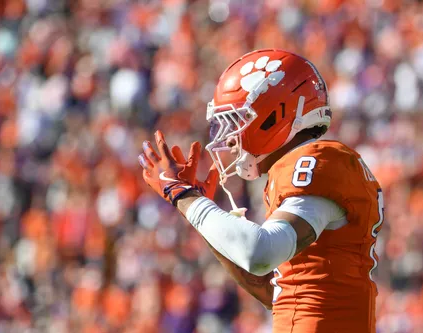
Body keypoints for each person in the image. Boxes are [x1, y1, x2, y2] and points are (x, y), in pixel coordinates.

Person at [138, 49, 384, 332]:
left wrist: (183, 195)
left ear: (274, 114)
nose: (228, 139)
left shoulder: (318, 160)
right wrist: (196, 209)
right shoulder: (303, 169)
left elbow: (259, 253)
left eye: (236, 121)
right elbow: (271, 289)